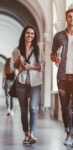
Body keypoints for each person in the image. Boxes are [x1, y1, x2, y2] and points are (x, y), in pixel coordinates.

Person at [10, 25, 45, 144]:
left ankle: (32, 134)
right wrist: (18, 61)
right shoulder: (17, 49)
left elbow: (42, 66)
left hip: (35, 83)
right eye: (27, 33)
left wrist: (30, 66)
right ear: (24, 34)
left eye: (32, 33)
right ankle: (26, 135)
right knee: (24, 110)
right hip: (21, 82)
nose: (29, 35)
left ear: (34, 36)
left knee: (33, 108)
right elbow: (13, 67)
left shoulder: (38, 49)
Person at [50, 9, 73, 146]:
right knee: (65, 107)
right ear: (66, 19)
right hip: (63, 77)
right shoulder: (58, 36)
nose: (72, 19)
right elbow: (52, 55)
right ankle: (69, 134)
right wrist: (55, 58)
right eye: (70, 16)